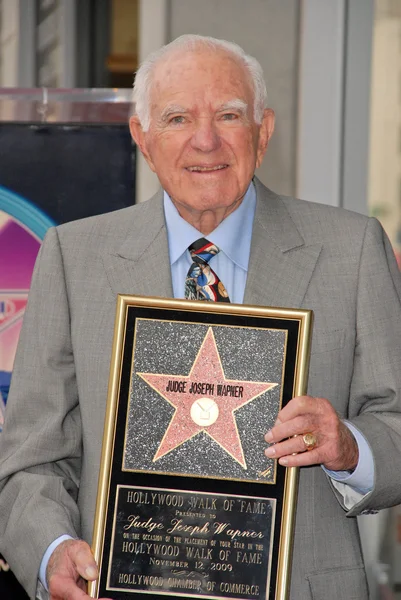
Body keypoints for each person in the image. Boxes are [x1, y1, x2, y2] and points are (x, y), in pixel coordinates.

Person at [0, 34, 401, 600]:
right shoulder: (74, 258)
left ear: (263, 133)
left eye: (229, 115)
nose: (205, 140)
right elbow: (29, 463)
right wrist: (50, 551)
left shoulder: (352, 249)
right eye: (178, 117)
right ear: (142, 137)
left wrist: (351, 446)